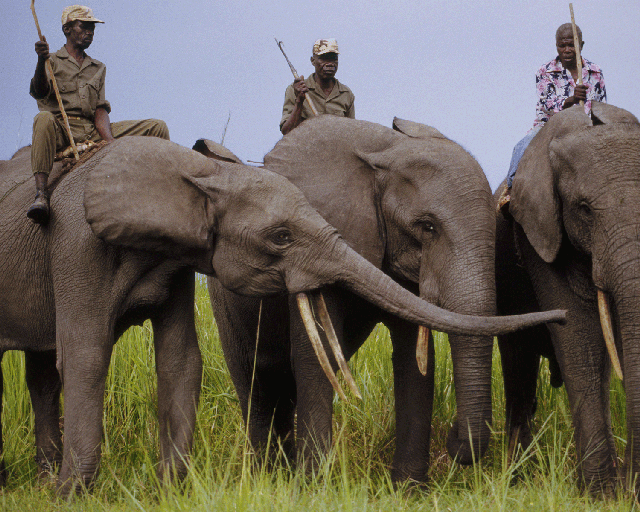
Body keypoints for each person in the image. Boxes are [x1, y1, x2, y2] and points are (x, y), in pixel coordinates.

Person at [28, 5, 170, 224]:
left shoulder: (98, 67)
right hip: (61, 129)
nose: (89, 32)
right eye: (83, 26)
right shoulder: (51, 60)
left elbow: (100, 109)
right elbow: (39, 91)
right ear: (67, 29)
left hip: (90, 130)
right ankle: (41, 194)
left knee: (157, 127)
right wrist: (40, 60)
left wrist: (110, 142)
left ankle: (163, 185)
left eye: (92, 28)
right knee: (42, 119)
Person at [499, 23, 606, 209]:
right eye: (561, 45)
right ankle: (511, 189)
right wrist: (571, 100)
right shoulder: (545, 71)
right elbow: (546, 105)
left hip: (586, 128)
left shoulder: (595, 71)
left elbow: (602, 106)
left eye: (571, 45)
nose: (566, 50)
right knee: (522, 145)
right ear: (556, 45)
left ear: (581, 44)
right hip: (549, 125)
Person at [280, 38, 355, 135]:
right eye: (323, 58)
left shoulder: (346, 94)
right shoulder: (295, 90)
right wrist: (299, 101)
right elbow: (287, 131)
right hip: (305, 148)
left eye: (333, 58)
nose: (330, 64)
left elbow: (352, 133)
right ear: (313, 61)